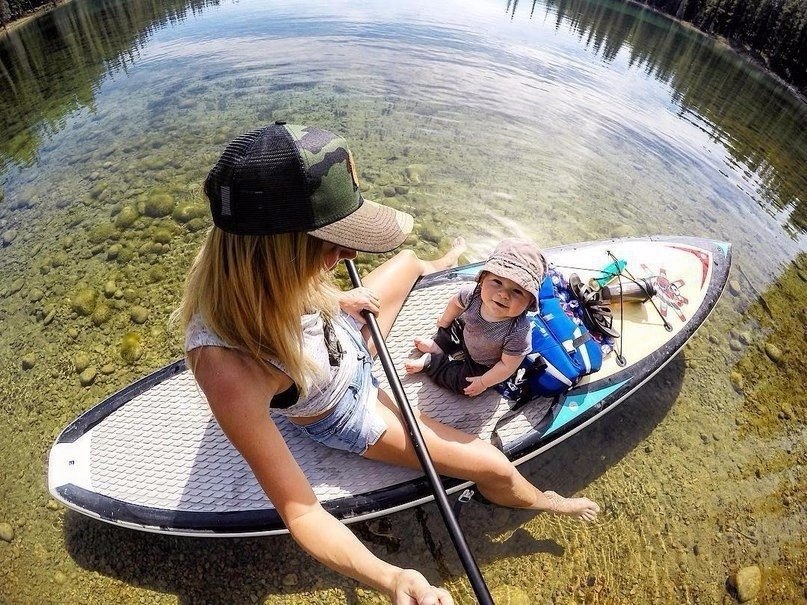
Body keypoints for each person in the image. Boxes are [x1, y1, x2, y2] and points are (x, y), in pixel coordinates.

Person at [176, 122, 600, 605]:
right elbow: (304, 514)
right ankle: (545, 501)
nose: (350, 253)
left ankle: (441, 270)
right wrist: (393, 578)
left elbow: (296, 292)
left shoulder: (265, 274)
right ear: (276, 253)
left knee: (409, 262)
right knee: (492, 466)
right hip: (346, 410)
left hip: (346, 342)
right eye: (333, 244)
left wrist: (335, 299)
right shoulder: (227, 366)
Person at [404, 239, 545, 397]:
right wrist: (444, 321)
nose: (504, 294)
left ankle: (433, 362)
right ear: (483, 278)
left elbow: (507, 366)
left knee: (465, 385)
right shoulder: (472, 294)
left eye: (517, 291)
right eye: (497, 282)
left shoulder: (519, 332)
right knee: (452, 326)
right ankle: (438, 346)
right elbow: (455, 303)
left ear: (530, 302)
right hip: (465, 331)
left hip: (483, 363)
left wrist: (484, 382)